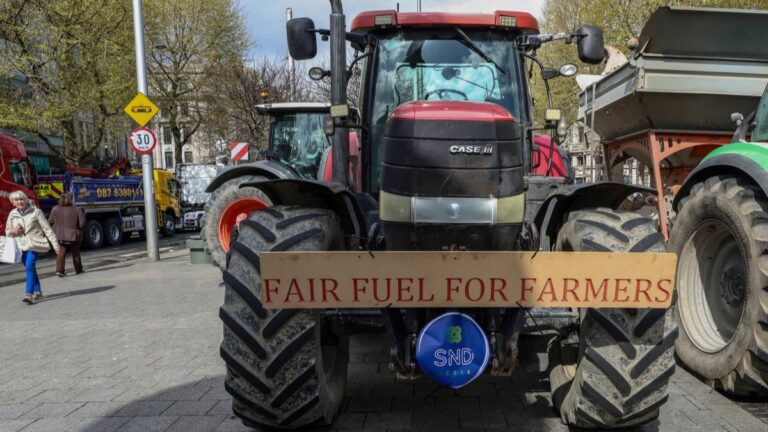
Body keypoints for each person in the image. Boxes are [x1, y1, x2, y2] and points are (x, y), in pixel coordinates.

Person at [5, 190, 63, 304]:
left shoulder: (36, 212)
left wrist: (55, 245)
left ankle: (29, 294)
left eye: (21, 199)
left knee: (30, 266)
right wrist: (14, 231)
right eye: (16, 200)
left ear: (26, 200)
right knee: (29, 268)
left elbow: (47, 229)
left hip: (34, 244)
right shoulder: (12, 214)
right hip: (20, 246)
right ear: (13, 202)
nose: (19, 202)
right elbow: (7, 231)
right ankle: (38, 291)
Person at [48, 192, 86, 276]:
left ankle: (60, 270)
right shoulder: (77, 209)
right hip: (74, 235)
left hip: (59, 235)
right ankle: (78, 269)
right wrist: (80, 231)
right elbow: (82, 224)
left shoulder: (55, 208)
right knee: (75, 252)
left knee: (61, 252)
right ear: (71, 199)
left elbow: (50, 222)